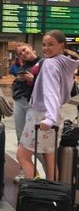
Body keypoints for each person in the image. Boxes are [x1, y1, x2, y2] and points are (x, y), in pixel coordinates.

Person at [17, 30, 79, 181]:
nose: (46, 48)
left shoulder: (50, 64)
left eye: (51, 44)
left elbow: (51, 92)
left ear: (61, 45)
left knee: (22, 156)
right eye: (44, 44)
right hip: (55, 114)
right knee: (50, 160)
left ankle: (35, 192)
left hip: (42, 115)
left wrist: (49, 118)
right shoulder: (64, 63)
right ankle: (51, 197)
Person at [12, 43, 43, 183]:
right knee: (21, 138)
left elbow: (49, 84)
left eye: (24, 50)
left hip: (34, 104)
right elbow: (17, 84)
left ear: (31, 47)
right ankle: (25, 171)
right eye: (20, 53)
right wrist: (18, 81)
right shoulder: (22, 67)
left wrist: (33, 79)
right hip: (19, 101)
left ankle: (47, 172)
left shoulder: (44, 63)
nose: (23, 54)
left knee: (34, 139)